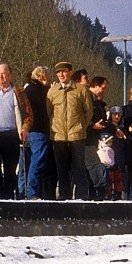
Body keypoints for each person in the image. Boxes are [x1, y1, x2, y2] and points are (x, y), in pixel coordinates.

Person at [0, 63, 33, 200]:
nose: (1, 77)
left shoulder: (18, 93)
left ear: (10, 75)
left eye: (4, 73)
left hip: (10, 134)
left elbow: (29, 115)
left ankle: (8, 194)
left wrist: (25, 129)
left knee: (10, 168)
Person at [47, 61, 93, 200]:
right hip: (58, 136)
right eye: (58, 72)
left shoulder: (81, 90)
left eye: (64, 71)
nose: (61, 74)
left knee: (79, 169)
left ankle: (82, 199)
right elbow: (50, 113)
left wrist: (80, 126)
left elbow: (88, 112)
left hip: (77, 135)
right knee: (62, 171)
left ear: (71, 72)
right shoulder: (52, 91)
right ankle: (64, 199)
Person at [22, 66, 52, 199]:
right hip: (39, 130)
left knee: (26, 164)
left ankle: (22, 191)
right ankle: (32, 193)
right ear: (42, 77)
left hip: (27, 131)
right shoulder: (40, 91)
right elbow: (47, 109)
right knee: (37, 163)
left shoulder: (27, 90)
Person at [82, 75, 111, 200]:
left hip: (92, 139)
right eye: (103, 88)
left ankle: (94, 193)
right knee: (93, 165)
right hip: (87, 139)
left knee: (92, 166)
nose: (104, 91)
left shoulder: (97, 101)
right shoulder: (87, 98)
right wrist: (93, 126)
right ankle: (99, 191)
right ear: (96, 85)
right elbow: (82, 117)